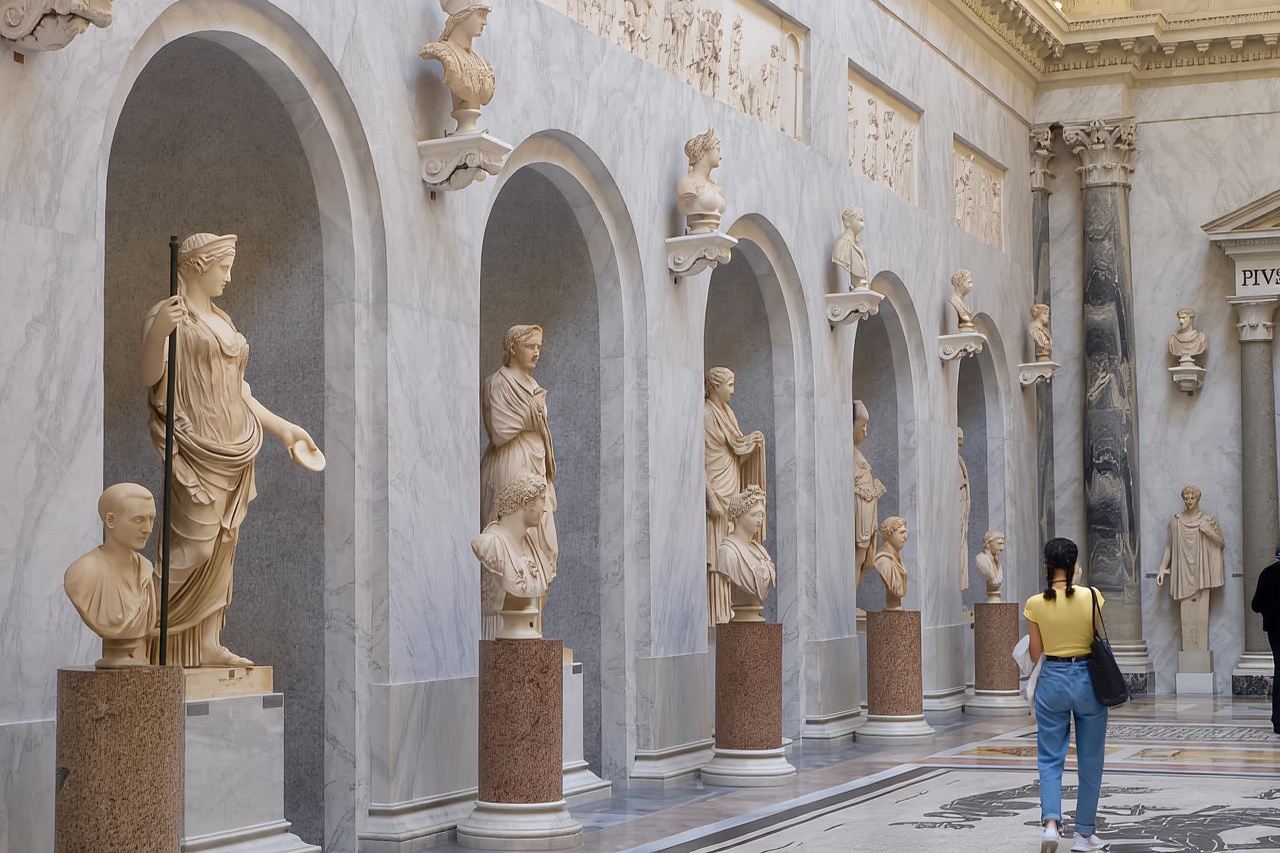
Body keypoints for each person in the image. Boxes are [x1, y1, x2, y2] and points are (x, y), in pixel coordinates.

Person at [1024, 538, 1108, 853]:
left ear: (1047, 566)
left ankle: (1050, 826)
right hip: (1088, 681)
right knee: (1090, 760)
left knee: (1049, 758)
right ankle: (1083, 834)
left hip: (1052, 683)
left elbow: (1035, 654)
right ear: (1074, 565)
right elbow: (1096, 639)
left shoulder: (1034, 603)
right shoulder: (1091, 596)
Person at [1251, 547, 1280, 734]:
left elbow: (1255, 605)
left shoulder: (1267, 573)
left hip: (1275, 631)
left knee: (1279, 671)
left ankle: (1278, 720)